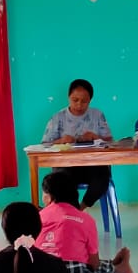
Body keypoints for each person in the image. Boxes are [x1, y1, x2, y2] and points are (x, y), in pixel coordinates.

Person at [37, 172, 132, 273]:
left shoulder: (38, 216)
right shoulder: (86, 220)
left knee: (72, 261)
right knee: (89, 268)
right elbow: (94, 263)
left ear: (48, 196)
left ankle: (116, 266)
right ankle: (115, 267)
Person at [40, 78, 115, 210]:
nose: (79, 105)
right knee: (60, 180)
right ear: (69, 97)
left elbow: (110, 142)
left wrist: (95, 137)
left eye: (84, 101)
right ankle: (67, 211)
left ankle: (80, 208)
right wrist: (61, 140)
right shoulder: (58, 117)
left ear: (90, 100)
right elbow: (44, 145)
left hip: (92, 165)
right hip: (66, 165)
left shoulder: (97, 115)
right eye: (75, 100)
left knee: (103, 176)